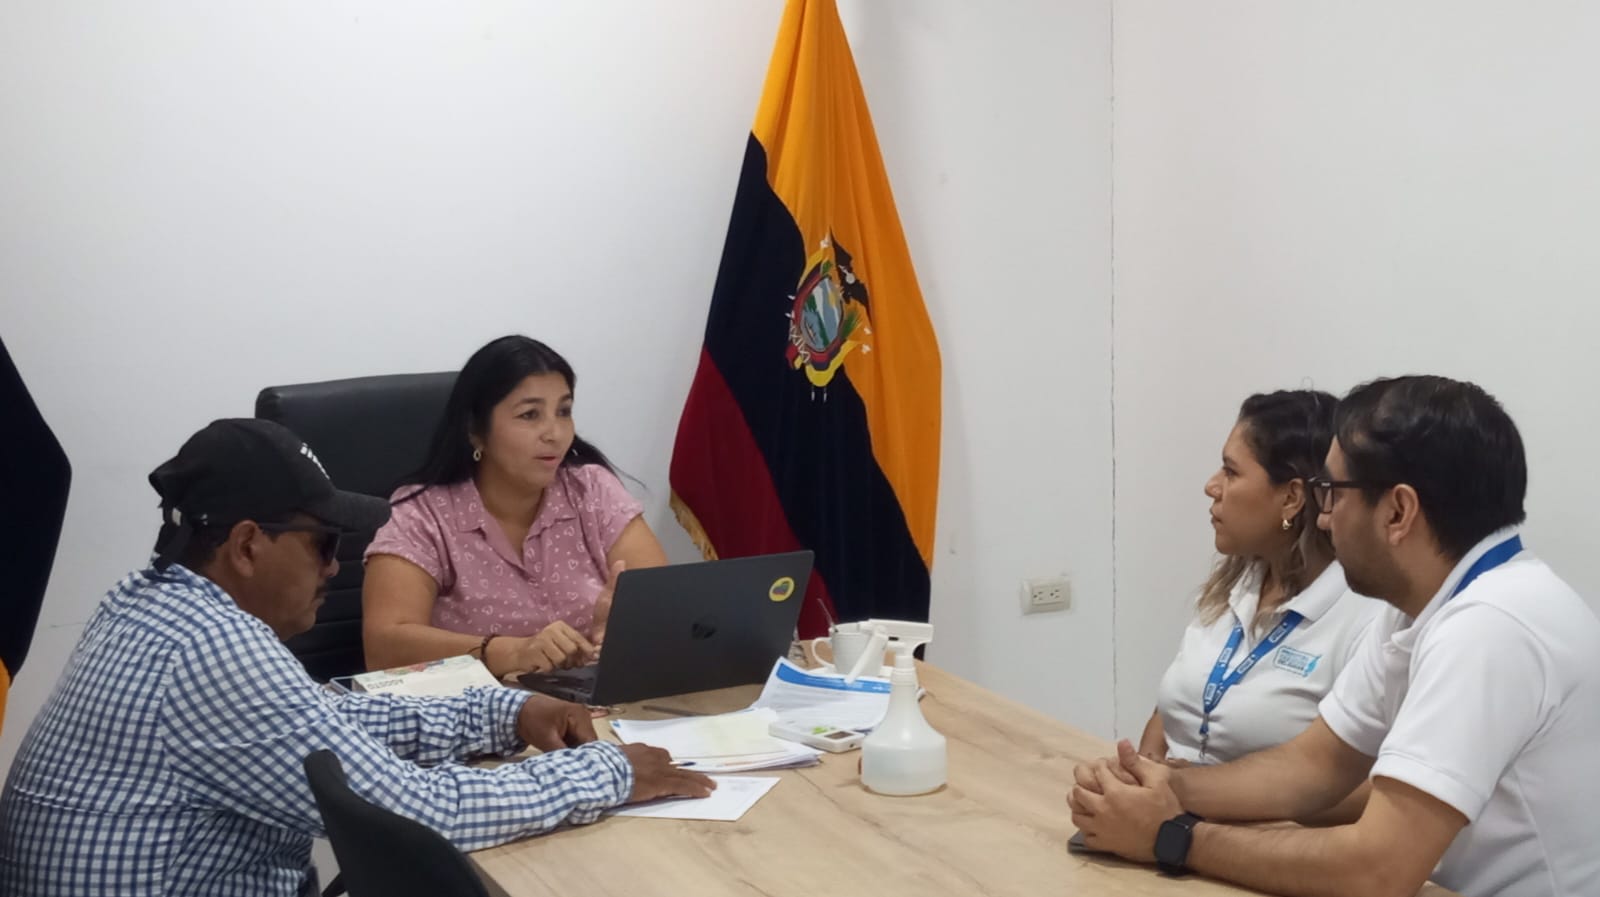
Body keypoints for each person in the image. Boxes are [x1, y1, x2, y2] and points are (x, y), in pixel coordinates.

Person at [0, 419, 712, 897]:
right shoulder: (211, 650)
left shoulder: (147, 600)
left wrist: (506, 711)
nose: (336, 567)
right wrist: (609, 770)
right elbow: (420, 812)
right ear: (247, 545)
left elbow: (325, 721)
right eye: (323, 543)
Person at [1069, 376, 1600, 897]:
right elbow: (1314, 765)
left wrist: (1174, 837)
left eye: (1330, 494)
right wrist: (1163, 786)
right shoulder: (1421, 604)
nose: (1321, 520)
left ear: (1398, 512)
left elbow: (1377, 871)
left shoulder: (1490, 627)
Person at [363, 335, 669, 678]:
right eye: (529, 415)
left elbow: (664, 607)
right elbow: (383, 647)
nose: (554, 433)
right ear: (475, 431)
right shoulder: (422, 515)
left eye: (564, 411)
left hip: (594, 698)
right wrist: (511, 652)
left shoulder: (592, 490)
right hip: (480, 704)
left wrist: (621, 633)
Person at [1140, 390, 1379, 782]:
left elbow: (1363, 786)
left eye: (1231, 472)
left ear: (1292, 498)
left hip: (1257, 819)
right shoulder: (1236, 583)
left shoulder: (1366, 617)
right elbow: (1171, 711)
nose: (1211, 486)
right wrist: (1140, 776)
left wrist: (1189, 791)